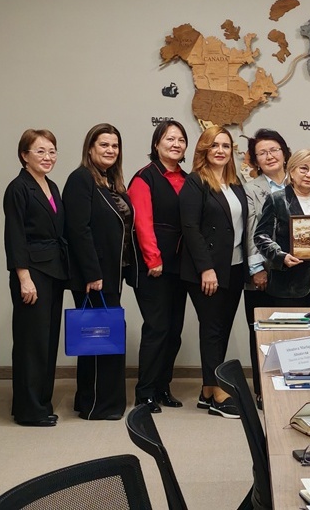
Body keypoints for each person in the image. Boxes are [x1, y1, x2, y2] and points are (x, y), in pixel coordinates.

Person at [63, 123, 137, 421]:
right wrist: (93, 273)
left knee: (105, 336)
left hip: (112, 274)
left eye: (115, 146)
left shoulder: (110, 182)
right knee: (99, 340)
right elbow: (78, 230)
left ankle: (91, 400)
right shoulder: (81, 179)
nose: (110, 150)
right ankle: (98, 405)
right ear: (90, 149)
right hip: (93, 276)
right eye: (104, 145)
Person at [180, 126, 247, 419]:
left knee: (222, 329)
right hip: (208, 271)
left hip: (235, 267)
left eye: (226, 146)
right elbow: (190, 228)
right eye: (214, 145)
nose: (220, 150)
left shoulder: (235, 183)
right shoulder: (195, 182)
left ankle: (207, 391)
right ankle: (218, 391)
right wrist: (206, 268)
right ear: (204, 150)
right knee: (212, 329)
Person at [4, 129, 69, 427]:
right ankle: (29, 411)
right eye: (40, 151)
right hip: (32, 273)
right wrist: (23, 277)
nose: (48, 157)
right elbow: (15, 236)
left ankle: (41, 402)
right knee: (31, 344)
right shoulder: (18, 188)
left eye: (52, 151)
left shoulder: (51, 185)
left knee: (47, 340)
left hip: (53, 271)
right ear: (24, 155)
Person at [127, 120, 189, 413]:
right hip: (153, 267)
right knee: (157, 328)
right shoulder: (144, 177)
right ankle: (145, 392)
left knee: (174, 330)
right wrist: (154, 260)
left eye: (181, 140)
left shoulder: (188, 179)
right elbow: (142, 222)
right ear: (156, 144)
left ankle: (163, 387)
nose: (176, 144)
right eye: (169, 139)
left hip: (180, 266)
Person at [254, 149, 310, 306]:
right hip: (288, 283)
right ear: (292, 171)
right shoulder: (276, 199)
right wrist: (281, 256)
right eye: (304, 169)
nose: (309, 175)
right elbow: (261, 236)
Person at [242, 129, 290, 408]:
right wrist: (256, 268)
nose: (269, 156)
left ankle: (292, 385)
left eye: (274, 150)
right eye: (262, 153)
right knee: (262, 333)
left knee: (292, 332)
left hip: (296, 273)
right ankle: (263, 390)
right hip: (263, 272)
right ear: (255, 161)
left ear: (284, 153)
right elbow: (250, 231)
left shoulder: (301, 181)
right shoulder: (250, 189)